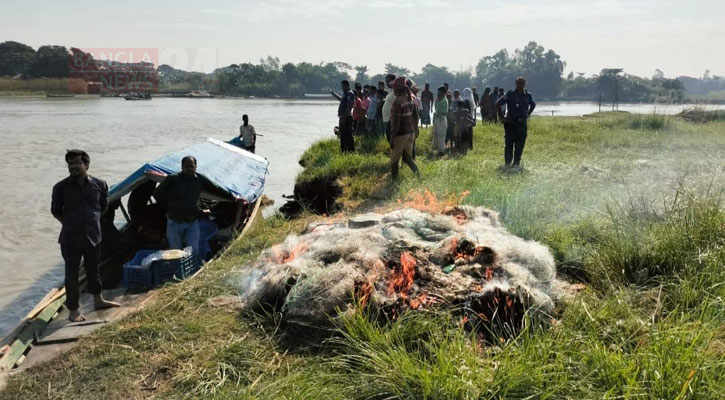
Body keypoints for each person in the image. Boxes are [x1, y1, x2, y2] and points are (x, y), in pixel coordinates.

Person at [52, 149, 120, 322]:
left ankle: (98, 299)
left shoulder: (100, 184)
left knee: (93, 270)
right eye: (70, 164)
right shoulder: (60, 188)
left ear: (86, 164)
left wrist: (92, 222)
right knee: (72, 274)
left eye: (77, 163)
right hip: (70, 239)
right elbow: (56, 211)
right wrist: (69, 224)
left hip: (93, 236)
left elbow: (103, 207)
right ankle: (73, 310)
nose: (73, 167)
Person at [154, 156, 209, 258]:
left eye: (191, 166)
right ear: (182, 167)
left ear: (196, 167)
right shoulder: (173, 179)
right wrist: (167, 206)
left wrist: (235, 197)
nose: (189, 169)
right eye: (186, 166)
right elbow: (157, 193)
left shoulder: (200, 180)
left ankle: (193, 269)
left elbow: (216, 189)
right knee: (175, 251)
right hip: (174, 220)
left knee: (193, 250)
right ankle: (177, 270)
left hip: (192, 221)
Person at [496, 77, 536, 167]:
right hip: (510, 123)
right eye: (518, 83)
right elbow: (498, 103)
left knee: (520, 145)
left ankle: (516, 163)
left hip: (521, 124)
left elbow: (533, 105)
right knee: (509, 144)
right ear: (515, 83)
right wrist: (502, 117)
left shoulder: (528, 95)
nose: (520, 85)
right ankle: (507, 163)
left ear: (525, 84)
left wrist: (527, 114)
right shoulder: (510, 94)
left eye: (522, 83)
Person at [389, 76, 420, 179]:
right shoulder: (411, 98)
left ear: (397, 89)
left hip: (401, 134)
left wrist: (392, 138)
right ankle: (419, 176)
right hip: (410, 133)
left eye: (394, 88)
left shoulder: (397, 102)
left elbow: (396, 123)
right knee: (407, 158)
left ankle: (393, 181)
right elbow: (416, 116)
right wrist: (416, 130)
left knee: (394, 160)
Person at [336, 80, 355, 152]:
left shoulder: (350, 93)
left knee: (348, 135)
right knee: (343, 134)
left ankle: (350, 150)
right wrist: (333, 93)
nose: (342, 87)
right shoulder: (345, 93)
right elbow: (341, 100)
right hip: (343, 117)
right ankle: (344, 150)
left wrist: (344, 117)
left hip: (347, 118)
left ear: (346, 85)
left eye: (342, 86)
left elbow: (349, 106)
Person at [432, 86, 448, 155]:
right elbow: (435, 107)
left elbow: (440, 109)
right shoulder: (438, 98)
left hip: (442, 118)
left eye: (440, 91)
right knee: (436, 134)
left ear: (443, 92)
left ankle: (441, 151)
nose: (438, 93)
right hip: (437, 118)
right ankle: (437, 149)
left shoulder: (444, 100)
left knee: (441, 135)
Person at [381, 74, 397, 144]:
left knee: (393, 141)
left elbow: (396, 106)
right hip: (387, 120)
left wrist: (391, 119)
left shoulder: (396, 91)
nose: (387, 83)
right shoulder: (391, 91)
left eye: (388, 81)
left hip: (391, 120)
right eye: (386, 82)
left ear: (394, 81)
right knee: (389, 140)